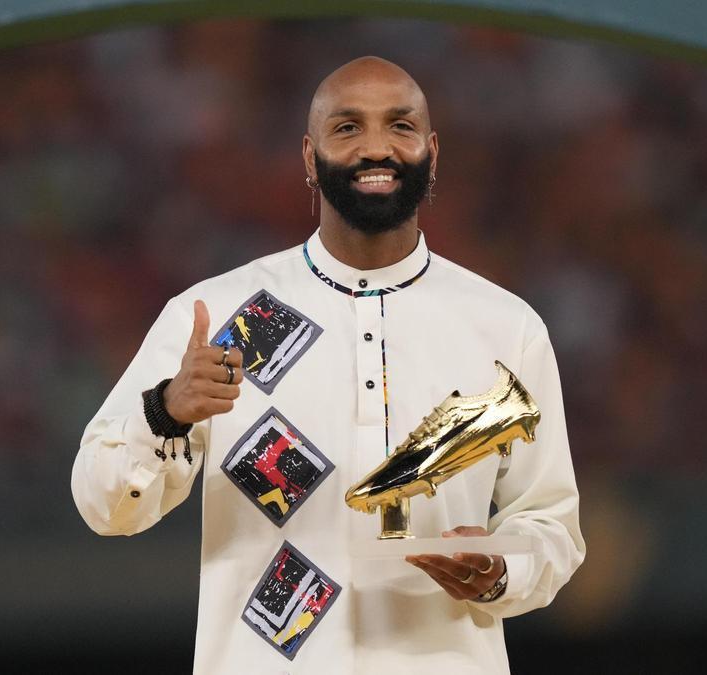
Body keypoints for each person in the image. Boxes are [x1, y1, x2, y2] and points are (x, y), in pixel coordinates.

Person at [71, 55, 584, 674]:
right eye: (348, 128)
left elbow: (552, 525)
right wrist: (165, 414)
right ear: (310, 158)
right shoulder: (217, 317)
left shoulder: (507, 328)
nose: (376, 147)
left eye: (400, 126)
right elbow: (104, 506)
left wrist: (502, 570)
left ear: (432, 150)